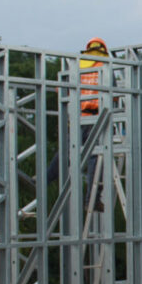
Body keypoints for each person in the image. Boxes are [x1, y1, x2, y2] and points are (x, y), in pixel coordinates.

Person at [47, 37, 108, 212]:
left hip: (76, 117)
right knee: (95, 158)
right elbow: (115, 95)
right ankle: (92, 199)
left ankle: (44, 179)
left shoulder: (77, 66)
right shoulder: (104, 66)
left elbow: (60, 89)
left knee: (66, 153)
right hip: (96, 118)